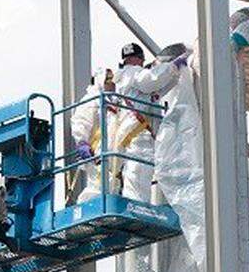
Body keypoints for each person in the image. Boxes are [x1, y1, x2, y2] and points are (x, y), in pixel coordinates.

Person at [69, 43, 188, 204]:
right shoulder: (127, 77)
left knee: (115, 179)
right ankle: (121, 206)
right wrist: (174, 66)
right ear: (139, 60)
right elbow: (152, 80)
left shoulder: (116, 97)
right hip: (126, 140)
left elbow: (157, 88)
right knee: (131, 176)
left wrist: (172, 74)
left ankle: (104, 204)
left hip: (117, 143)